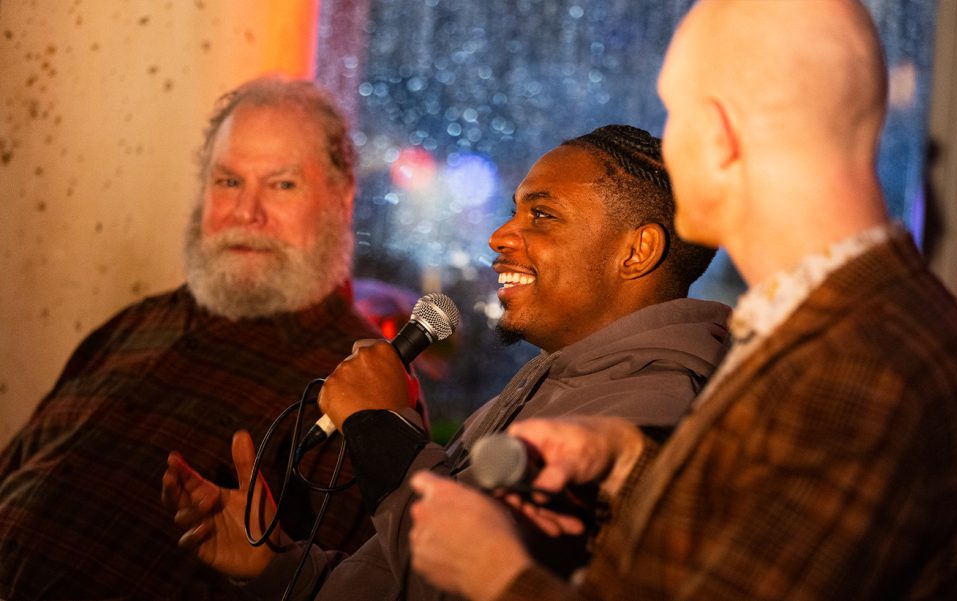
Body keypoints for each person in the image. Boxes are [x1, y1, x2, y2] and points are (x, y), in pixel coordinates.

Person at [405, 2, 957, 600]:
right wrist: (633, 467)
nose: (668, 140)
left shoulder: (860, 367)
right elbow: (760, 535)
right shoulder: (857, 316)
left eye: (675, 113)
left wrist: (497, 574)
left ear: (719, 133)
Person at [161, 124, 732, 600]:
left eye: (543, 215)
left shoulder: (656, 413)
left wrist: (380, 432)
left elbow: (479, 586)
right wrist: (279, 569)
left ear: (637, 251)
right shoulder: (550, 381)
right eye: (515, 211)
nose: (499, 235)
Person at [0, 77, 386, 600]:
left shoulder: (364, 380)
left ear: (341, 199)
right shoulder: (136, 323)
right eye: (228, 182)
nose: (246, 213)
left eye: (281, 185)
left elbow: (347, 587)